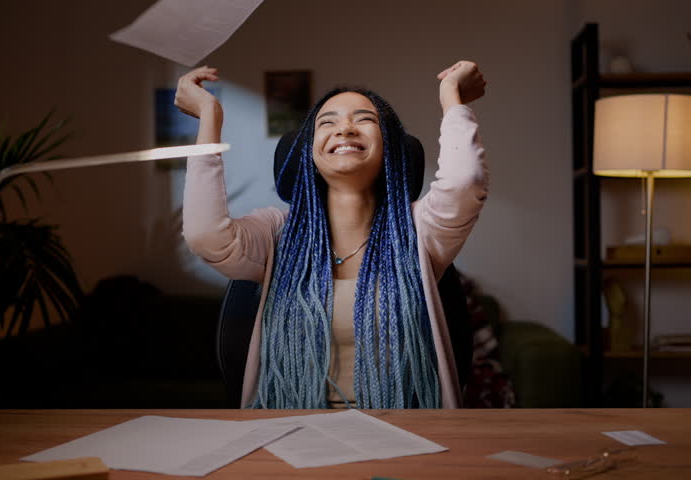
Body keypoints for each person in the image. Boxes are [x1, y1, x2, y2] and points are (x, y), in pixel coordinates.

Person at [177, 61, 487, 409]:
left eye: (365, 119)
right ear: (309, 153)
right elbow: (205, 235)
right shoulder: (275, 232)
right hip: (291, 433)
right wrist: (208, 116)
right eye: (328, 122)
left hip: (407, 434)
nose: (346, 129)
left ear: (392, 149)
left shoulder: (421, 231)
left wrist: (452, 98)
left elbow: (464, 183)